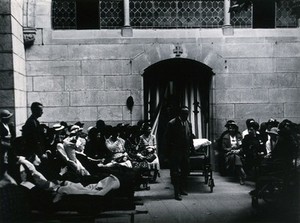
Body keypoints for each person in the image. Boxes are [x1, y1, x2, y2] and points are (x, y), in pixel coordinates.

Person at [165, 106, 194, 201]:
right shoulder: (172, 123)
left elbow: (190, 136)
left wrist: (192, 148)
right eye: (184, 114)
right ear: (180, 114)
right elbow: (167, 139)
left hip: (185, 151)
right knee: (175, 173)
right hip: (175, 152)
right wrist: (168, 154)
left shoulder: (188, 123)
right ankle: (176, 192)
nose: (186, 116)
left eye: (187, 114)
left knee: (185, 170)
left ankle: (181, 188)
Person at [220, 120, 246, 185]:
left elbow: (242, 146)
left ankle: (241, 175)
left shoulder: (239, 136)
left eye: (233, 128)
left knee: (236, 156)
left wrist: (238, 150)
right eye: (230, 128)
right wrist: (231, 149)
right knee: (234, 157)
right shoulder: (225, 137)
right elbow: (223, 148)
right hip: (229, 154)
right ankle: (241, 174)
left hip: (238, 153)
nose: (231, 130)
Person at [0, 109, 15, 175]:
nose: (9, 119)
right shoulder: (1, 126)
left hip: (8, 147)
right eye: (8, 118)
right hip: (3, 147)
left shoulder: (8, 125)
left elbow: (12, 135)